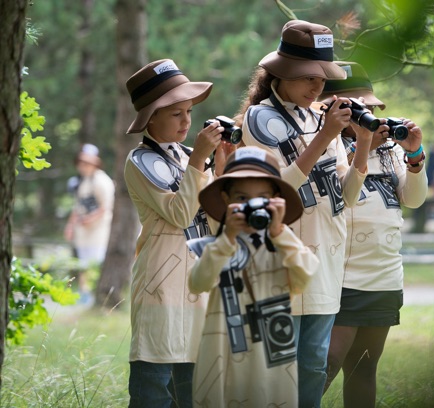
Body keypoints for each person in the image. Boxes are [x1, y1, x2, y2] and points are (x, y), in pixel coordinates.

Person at [237, 20, 374, 408]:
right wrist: (326, 137)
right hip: (282, 261)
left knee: (315, 363)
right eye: (307, 76)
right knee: (277, 367)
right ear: (279, 73)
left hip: (326, 260)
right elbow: (277, 188)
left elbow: (344, 197)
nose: (317, 87)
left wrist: (361, 143)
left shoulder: (320, 119)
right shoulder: (258, 118)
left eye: (322, 77)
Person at [318, 61, 428, 407]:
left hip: (384, 275)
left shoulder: (390, 150)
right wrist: (360, 146)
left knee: (364, 368)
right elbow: (338, 197)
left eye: (370, 108)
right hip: (344, 277)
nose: (366, 116)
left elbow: (413, 199)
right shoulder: (323, 147)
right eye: (357, 108)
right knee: (327, 362)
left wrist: (413, 155)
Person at [123, 58, 225, 408]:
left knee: (196, 389)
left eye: (188, 111)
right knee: (154, 386)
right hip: (160, 284)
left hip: (198, 281)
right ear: (151, 118)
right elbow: (181, 213)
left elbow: (216, 217)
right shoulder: (140, 162)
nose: (187, 121)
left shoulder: (189, 156)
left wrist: (221, 161)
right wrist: (200, 160)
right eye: (176, 113)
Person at [187, 146, 320, 407]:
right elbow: (198, 282)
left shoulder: (283, 241)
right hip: (223, 347)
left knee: (270, 396)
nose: (252, 205)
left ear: (275, 199)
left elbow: (306, 276)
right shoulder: (215, 245)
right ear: (226, 199)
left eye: (262, 198)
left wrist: (280, 231)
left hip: (271, 348)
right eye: (242, 198)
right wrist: (227, 240)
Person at [63, 143, 115, 304]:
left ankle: (96, 294)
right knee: (83, 265)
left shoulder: (102, 181)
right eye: (81, 162)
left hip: (98, 232)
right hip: (83, 233)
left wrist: (89, 219)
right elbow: (77, 207)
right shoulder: (83, 182)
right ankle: (84, 293)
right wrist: (70, 226)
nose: (83, 166)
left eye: (87, 163)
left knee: (96, 263)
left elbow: (106, 207)